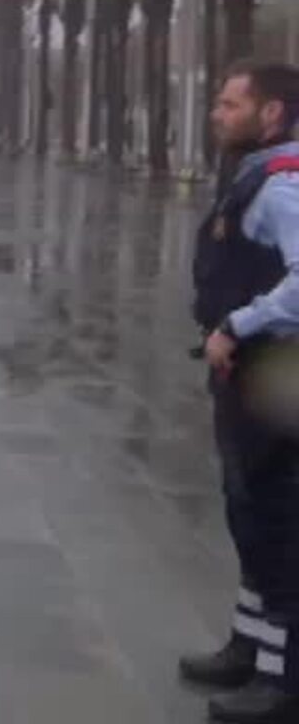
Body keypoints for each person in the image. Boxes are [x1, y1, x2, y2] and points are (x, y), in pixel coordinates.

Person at [180, 60, 299, 724]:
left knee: (279, 524)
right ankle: (250, 647)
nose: (217, 114)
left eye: (230, 104)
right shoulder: (256, 176)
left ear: (271, 113)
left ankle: (284, 681)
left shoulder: (283, 185)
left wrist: (237, 324)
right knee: (248, 516)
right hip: (249, 377)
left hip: (277, 376)